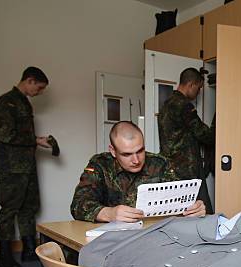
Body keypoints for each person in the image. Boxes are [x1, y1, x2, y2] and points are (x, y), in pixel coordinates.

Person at [71, 121, 205, 222]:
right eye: (126, 154)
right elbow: (78, 204)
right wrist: (109, 213)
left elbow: (181, 198)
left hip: (153, 236)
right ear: (113, 151)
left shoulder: (160, 164)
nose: (136, 160)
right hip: (113, 241)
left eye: (140, 151)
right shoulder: (100, 165)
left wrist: (194, 208)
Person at [0, 66, 52, 267]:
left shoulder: (24, 103)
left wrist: (37, 141)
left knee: (29, 207)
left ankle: (29, 250)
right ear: (29, 80)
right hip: (11, 166)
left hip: (26, 165)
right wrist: (35, 140)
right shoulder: (6, 101)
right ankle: (4, 255)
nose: (40, 92)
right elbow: (5, 135)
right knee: (9, 209)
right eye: (39, 87)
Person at [158, 67, 215, 213]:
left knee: (178, 211)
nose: (198, 93)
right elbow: (204, 135)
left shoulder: (166, 103)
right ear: (191, 84)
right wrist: (217, 123)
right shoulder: (183, 105)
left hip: (169, 168)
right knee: (201, 211)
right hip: (187, 169)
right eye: (199, 88)